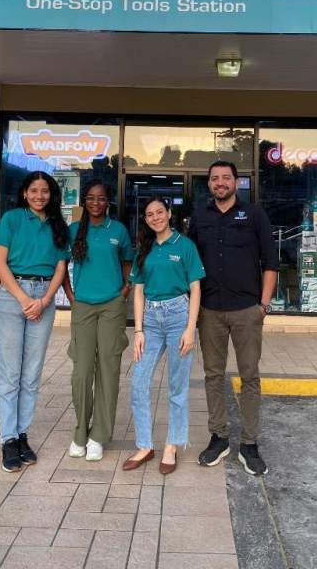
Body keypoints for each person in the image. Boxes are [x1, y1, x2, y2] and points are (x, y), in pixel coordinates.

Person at [189, 161, 278, 476]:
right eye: (214, 178)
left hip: (246, 310)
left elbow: (270, 262)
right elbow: (189, 264)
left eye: (226, 177)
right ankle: (219, 437)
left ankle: (250, 443)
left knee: (250, 376)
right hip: (209, 310)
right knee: (213, 375)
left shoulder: (254, 215)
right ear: (209, 184)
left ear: (236, 182)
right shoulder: (200, 216)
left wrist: (263, 306)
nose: (220, 182)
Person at [0, 171, 69, 472]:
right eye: (34, 190)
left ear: (52, 195)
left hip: (44, 296)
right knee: (10, 373)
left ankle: (22, 433)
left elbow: (61, 267)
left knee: (32, 373)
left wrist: (45, 300)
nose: (40, 196)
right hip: (13, 296)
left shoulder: (58, 225)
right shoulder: (11, 219)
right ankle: (8, 439)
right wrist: (24, 299)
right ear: (24, 193)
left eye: (45, 191)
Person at [123, 197, 204, 475]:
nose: (155, 217)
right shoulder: (144, 249)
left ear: (169, 214)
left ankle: (172, 445)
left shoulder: (185, 246)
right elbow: (138, 290)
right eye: (149, 214)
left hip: (178, 315)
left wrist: (190, 328)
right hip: (151, 320)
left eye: (160, 212)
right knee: (138, 383)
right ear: (145, 219)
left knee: (177, 386)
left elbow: (195, 288)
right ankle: (145, 445)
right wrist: (139, 330)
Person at [63, 180, 133, 462]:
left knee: (108, 370)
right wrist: (71, 296)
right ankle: (80, 432)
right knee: (81, 373)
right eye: (90, 198)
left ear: (108, 202)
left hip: (112, 307)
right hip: (83, 307)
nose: (95, 202)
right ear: (84, 201)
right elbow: (60, 264)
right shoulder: (72, 231)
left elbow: (129, 262)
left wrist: (124, 291)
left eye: (101, 198)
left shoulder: (118, 230)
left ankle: (99, 435)